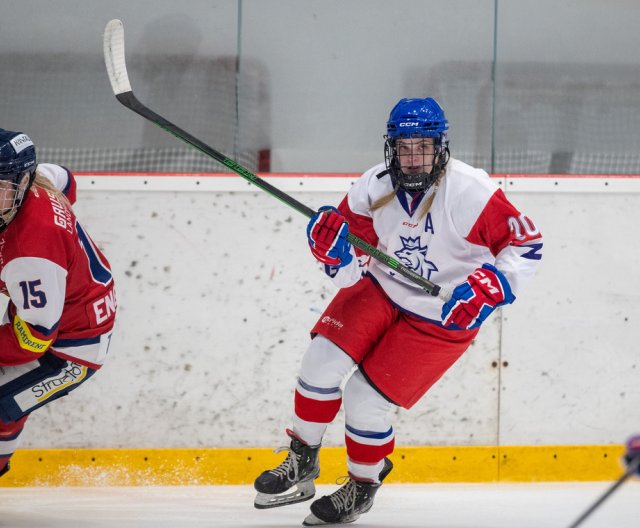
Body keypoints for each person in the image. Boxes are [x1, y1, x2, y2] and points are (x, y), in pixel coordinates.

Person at [253, 98, 543, 525]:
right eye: (404, 148)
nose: (412, 158)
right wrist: (332, 255)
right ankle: (302, 458)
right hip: (381, 288)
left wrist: (493, 286)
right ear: (391, 147)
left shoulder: (470, 192)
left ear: (440, 147)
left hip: (444, 312)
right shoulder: (373, 186)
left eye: (422, 147)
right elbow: (350, 272)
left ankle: (362, 484)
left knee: (364, 399)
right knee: (320, 364)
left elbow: (524, 245)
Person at [0, 128, 116, 478]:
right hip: (58, 305)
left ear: (21, 185)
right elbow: (66, 179)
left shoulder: (30, 252)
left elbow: (33, 338)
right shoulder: (38, 178)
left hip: (71, 347)